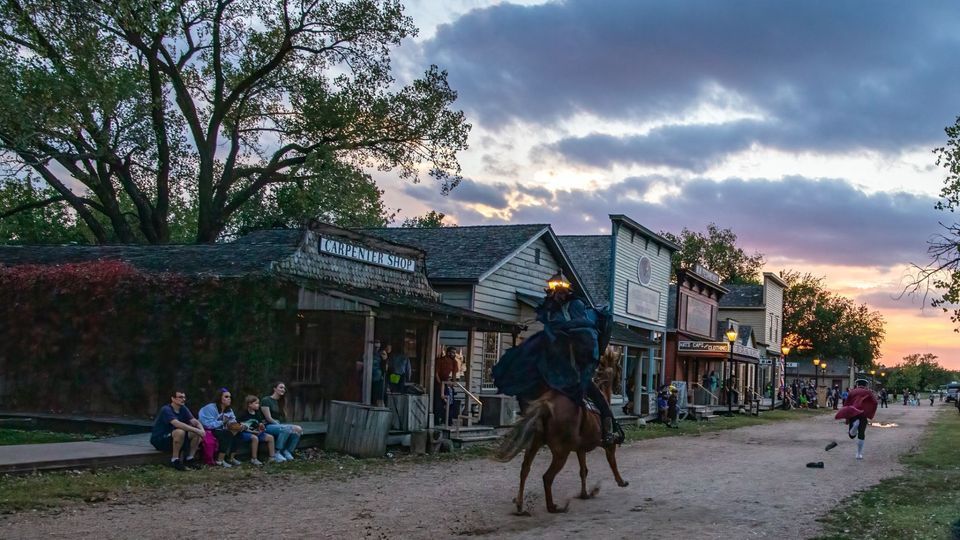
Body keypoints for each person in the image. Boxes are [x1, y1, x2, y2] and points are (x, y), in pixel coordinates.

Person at [492, 270, 620, 445]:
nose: (557, 294)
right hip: (560, 364)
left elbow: (584, 331)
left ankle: (608, 432)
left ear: (567, 292)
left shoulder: (576, 306)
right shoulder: (552, 308)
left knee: (598, 396)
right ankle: (528, 419)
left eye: (560, 291)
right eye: (554, 291)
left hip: (574, 361)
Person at [150, 389, 204, 470]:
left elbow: (194, 421)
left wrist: (201, 429)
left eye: (184, 397)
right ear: (173, 398)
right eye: (180, 397)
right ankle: (175, 460)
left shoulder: (183, 408)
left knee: (195, 433)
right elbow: (176, 423)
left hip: (176, 438)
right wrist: (196, 430)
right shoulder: (166, 409)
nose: (183, 399)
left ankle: (190, 459)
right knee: (180, 431)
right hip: (160, 439)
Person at [198, 388, 244, 467]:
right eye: (226, 397)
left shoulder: (229, 410)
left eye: (230, 397)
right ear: (219, 398)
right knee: (226, 434)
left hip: (221, 429)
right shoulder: (210, 408)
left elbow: (232, 421)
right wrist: (222, 422)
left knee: (239, 433)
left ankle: (231, 458)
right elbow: (207, 424)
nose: (229, 399)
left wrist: (239, 426)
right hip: (208, 430)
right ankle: (220, 460)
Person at [835, 379, 879, 460]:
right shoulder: (868, 392)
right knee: (861, 434)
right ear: (866, 385)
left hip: (853, 413)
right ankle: (859, 454)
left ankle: (855, 426)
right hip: (863, 414)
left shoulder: (852, 392)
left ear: (857, 384)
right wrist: (870, 412)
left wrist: (847, 418)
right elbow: (875, 402)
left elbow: (846, 404)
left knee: (851, 436)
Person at [260, 382, 303, 461]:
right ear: (274, 389)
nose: (283, 389)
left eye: (284, 388)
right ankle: (277, 452)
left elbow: (283, 419)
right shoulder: (266, 400)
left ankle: (287, 451)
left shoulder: (282, 401)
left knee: (298, 429)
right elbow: (268, 418)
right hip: (268, 426)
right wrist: (283, 426)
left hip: (278, 425)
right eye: (281, 387)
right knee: (286, 428)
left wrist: (288, 426)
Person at [236, 395, 282, 465]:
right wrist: (252, 432)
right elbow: (239, 426)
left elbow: (260, 423)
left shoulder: (257, 413)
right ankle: (254, 458)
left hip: (256, 432)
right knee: (255, 438)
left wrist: (261, 427)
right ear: (249, 404)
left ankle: (272, 457)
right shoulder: (243, 413)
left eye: (258, 403)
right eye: (256, 403)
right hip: (244, 433)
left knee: (270, 438)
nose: (258, 405)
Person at [434, 346, 460, 426]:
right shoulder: (441, 360)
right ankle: (437, 420)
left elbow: (454, 374)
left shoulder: (454, 362)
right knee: (439, 403)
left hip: (448, 384)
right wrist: (439, 383)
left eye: (455, 353)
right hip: (439, 384)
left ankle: (448, 420)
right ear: (448, 352)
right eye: (452, 352)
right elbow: (436, 373)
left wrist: (453, 384)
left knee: (450, 403)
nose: (454, 354)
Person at [371, 342, 386, 407]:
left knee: (377, 394)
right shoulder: (368, 353)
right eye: (375, 347)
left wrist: (385, 359)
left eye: (378, 347)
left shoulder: (380, 355)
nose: (376, 349)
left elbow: (385, 367)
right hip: (369, 377)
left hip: (378, 378)